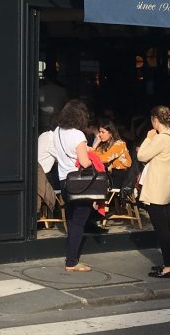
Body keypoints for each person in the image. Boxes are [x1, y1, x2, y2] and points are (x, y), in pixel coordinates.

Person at [50, 99, 94, 273]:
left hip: (63, 179)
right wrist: (92, 157)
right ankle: (72, 261)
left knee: (71, 218)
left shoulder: (57, 132)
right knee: (79, 221)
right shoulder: (78, 135)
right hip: (80, 182)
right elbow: (84, 161)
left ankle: (71, 256)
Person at [138, 105, 170, 278]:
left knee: (162, 229)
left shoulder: (161, 138)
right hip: (164, 185)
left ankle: (169, 266)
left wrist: (148, 138)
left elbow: (142, 156)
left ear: (155, 120)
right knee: (166, 227)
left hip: (157, 187)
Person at [93, 119, 133, 191]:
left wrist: (93, 156)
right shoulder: (103, 144)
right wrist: (97, 142)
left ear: (111, 133)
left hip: (121, 175)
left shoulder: (119, 144)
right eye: (99, 132)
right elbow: (93, 154)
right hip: (109, 174)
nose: (100, 134)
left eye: (103, 132)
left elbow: (105, 159)